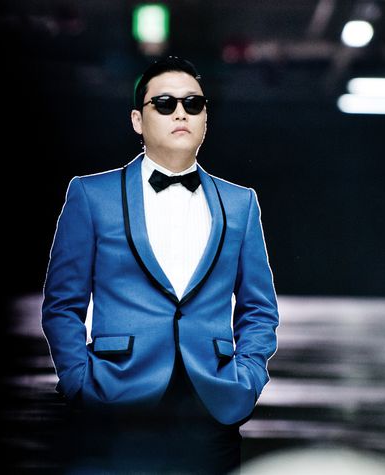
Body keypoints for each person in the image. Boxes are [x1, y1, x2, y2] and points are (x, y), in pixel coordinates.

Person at [41, 56, 279, 474]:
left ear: (205, 118)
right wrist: (79, 379)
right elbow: (62, 304)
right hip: (115, 399)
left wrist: (248, 378)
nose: (181, 113)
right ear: (138, 120)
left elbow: (259, 308)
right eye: (165, 104)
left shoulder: (240, 203)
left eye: (193, 104)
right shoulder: (91, 196)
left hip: (211, 404)